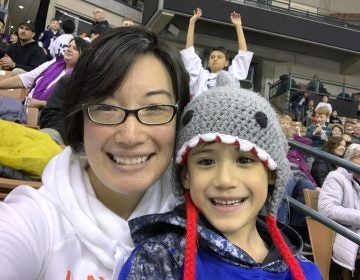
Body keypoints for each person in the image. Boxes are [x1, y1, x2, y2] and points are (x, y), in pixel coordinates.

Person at [0, 26, 190, 279]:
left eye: (154, 107)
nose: (130, 136)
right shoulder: (35, 220)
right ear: (80, 119)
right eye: (106, 107)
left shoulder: (204, 222)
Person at [118, 73, 321, 280]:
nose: (225, 180)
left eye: (244, 160)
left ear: (271, 173)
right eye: (206, 162)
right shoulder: (158, 261)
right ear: (186, 176)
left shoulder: (307, 272)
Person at [180, 7, 253, 99]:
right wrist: (192, 22)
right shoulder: (201, 76)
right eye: (212, 57)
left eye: (219, 57)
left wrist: (238, 26)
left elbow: (243, 55)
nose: (215, 59)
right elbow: (189, 52)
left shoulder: (231, 76)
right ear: (208, 62)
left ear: (226, 62)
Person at [0, 37, 88, 109]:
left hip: (46, 116)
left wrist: (40, 103)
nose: (69, 49)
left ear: (83, 55)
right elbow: (27, 78)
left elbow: (69, 107)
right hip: (26, 106)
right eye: (69, 46)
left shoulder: (80, 78)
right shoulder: (54, 62)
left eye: (75, 48)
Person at [318, 143, 360, 274]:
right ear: (350, 158)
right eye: (359, 157)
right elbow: (326, 209)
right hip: (345, 233)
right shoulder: (336, 176)